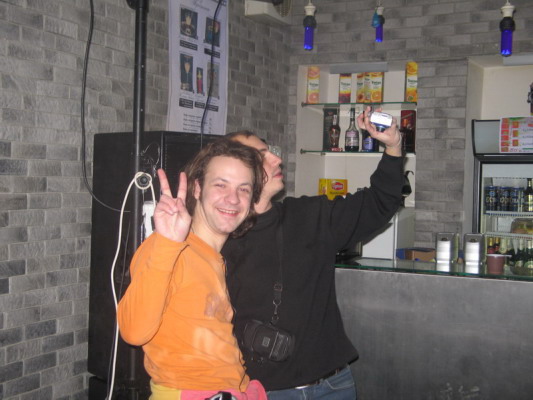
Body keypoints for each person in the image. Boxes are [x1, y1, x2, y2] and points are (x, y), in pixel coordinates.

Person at [222, 106, 404, 399]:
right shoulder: (219, 237)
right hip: (263, 391)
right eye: (261, 156)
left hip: (333, 385)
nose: (277, 159)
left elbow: (379, 202)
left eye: (271, 152)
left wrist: (393, 147)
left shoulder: (308, 216)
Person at [117, 139, 267, 400]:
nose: (233, 198)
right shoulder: (170, 247)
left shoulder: (210, 255)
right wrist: (167, 245)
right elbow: (133, 331)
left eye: (243, 189)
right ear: (197, 188)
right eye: (220, 185)